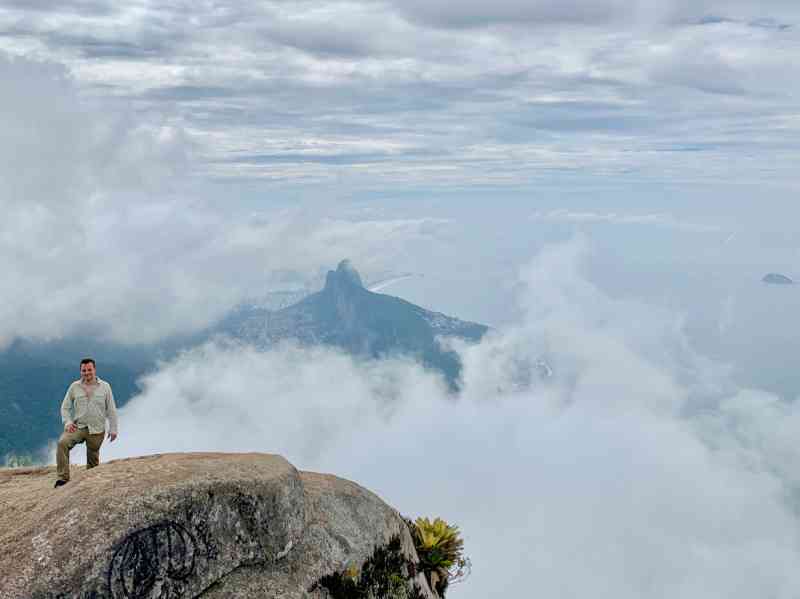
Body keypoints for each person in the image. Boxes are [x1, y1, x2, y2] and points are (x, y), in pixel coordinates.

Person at [55, 358, 119, 488]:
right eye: (84, 370)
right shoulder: (74, 387)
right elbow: (65, 407)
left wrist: (113, 428)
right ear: (80, 371)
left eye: (89, 369)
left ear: (94, 370)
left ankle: (89, 485)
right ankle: (63, 478)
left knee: (93, 462)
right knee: (62, 443)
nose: (87, 372)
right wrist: (67, 422)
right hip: (78, 426)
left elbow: (111, 409)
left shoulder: (105, 387)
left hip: (97, 429)